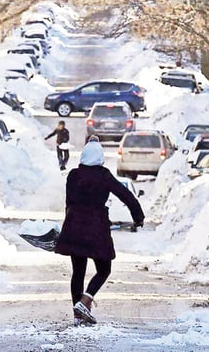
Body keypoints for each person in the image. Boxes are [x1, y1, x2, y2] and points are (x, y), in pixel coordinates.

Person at [54, 136, 145, 326]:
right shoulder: (103, 175)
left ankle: (78, 314)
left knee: (78, 271)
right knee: (104, 268)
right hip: (96, 228)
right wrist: (138, 216)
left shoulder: (73, 175)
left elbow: (68, 202)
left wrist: (67, 225)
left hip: (74, 225)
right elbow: (125, 195)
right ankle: (85, 300)